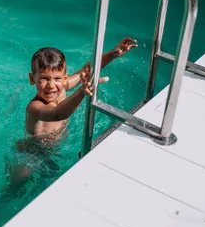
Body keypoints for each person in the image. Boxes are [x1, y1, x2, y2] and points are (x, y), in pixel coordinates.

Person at [7, 37, 137, 187]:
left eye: (57, 79)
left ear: (64, 79)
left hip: (52, 150)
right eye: (44, 78)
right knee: (15, 188)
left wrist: (112, 54)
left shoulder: (62, 88)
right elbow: (57, 114)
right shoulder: (35, 107)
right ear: (32, 79)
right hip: (31, 153)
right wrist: (81, 92)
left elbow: (85, 71)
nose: (51, 85)